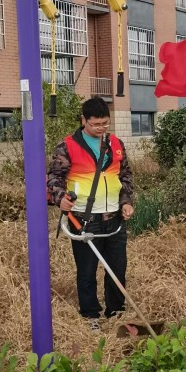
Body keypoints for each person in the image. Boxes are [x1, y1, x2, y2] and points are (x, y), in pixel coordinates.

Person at [47, 97, 134, 331]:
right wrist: (60, 198)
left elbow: (125, 176)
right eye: (96, 124)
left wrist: (126, 201)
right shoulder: (67, 146)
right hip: (84, 219)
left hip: (114, 219)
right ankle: (90, 315)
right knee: (86, 271)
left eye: (105, 123)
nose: (101, 128)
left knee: (117, 269)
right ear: (84, 120)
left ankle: (116, 312)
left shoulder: (116, 143)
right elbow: (55, 178)